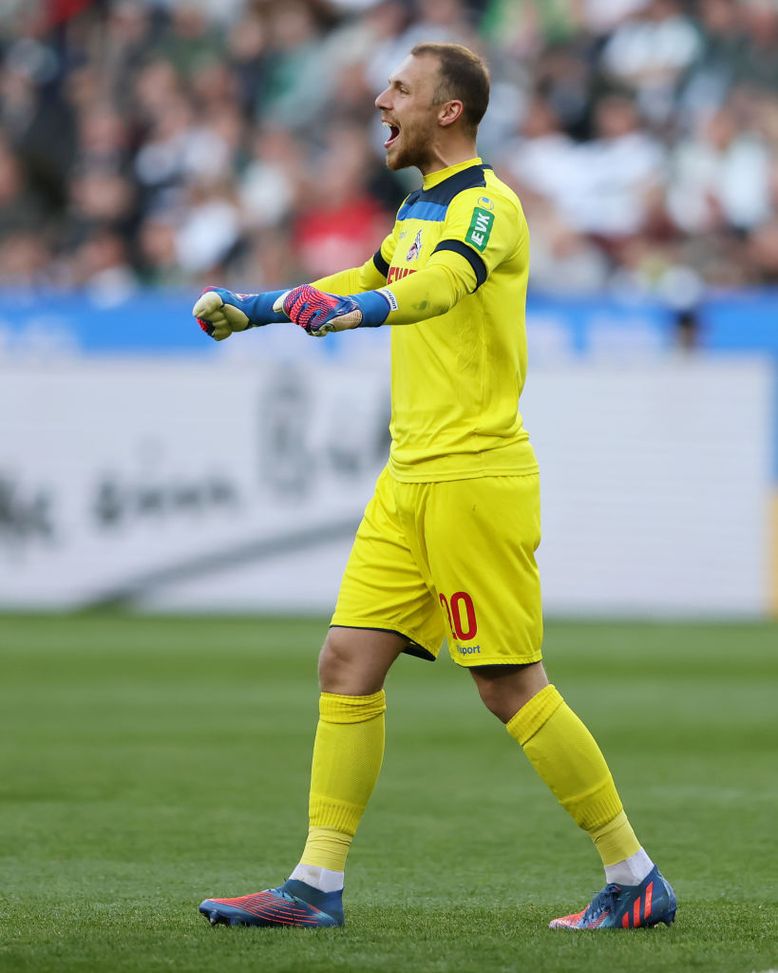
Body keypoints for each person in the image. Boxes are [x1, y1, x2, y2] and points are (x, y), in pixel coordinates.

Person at [192, 42, 677, 932]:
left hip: (474, 476)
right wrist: (258, 306)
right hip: (409, 475)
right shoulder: (417, 207)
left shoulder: (491, 207)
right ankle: (316, 883)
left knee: (508, 683)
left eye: (401, 89)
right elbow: (374, 277)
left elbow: (440, 286)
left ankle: (634, 872)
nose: (382, 100)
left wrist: (362, 311)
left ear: (448, 111)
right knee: (347, 660)